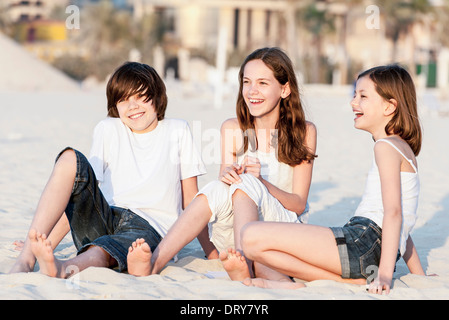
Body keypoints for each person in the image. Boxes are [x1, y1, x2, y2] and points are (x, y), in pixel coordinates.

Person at [127, 47, 317, 280]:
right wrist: (229, 175)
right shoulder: (232, 128)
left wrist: (259, 183)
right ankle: (155, 262)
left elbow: (298, 204)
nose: (252, 91)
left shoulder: (304, 132)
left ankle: (245, 264)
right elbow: (225, 193)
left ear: (285, 89)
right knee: (217, 188)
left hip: (281, 229)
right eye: (247, 82)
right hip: (236, 229)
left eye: (263, 83)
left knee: (247, 183)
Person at [239, 64, 427, 294]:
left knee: (250, 236)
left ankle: (351, 281)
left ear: (390, 106)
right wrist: (419, 274)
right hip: (368, 247)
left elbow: (394, 213)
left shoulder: (386, 147)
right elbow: (403, 224)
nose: (353, 102)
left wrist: (385, 275)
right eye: (355, 94)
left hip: (363, 241)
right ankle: (345, 280)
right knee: (260, 252)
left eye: (363, 96)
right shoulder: (401, 148)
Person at [8, 61, 206, 278]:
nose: (133, 106)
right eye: (123, 100)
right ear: (115, 105)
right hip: (106, 215)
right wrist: (47, 243)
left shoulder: (177, 130)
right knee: (68, 158)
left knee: (103, 249)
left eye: (140, 97)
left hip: (148, 228)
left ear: (158, 98)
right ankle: (26, 258)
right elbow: (77, 190)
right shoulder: (108, 129)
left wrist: (210, 252)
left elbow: (191, 200)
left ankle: (64, 267)